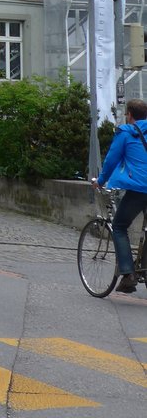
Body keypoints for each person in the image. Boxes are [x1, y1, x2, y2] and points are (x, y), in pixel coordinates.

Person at [93, 97, 147, 293]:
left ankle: (128, 273)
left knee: (119, 226)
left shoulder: (126, 133)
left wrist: (100, 181)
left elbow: (111, 160)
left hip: (140, 188)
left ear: (129, 115)